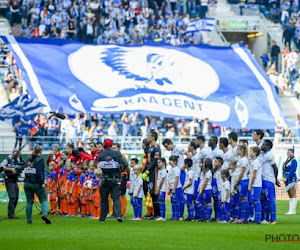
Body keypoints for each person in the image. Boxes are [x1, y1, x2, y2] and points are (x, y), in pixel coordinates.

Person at [98, 139, 129, 223]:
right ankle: (119, 215)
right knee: (116, 198)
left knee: (104, 199)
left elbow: (100, 166)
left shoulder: (100, 155)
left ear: (104, 145)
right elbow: (126, 164)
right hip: (115, 178)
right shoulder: (117, 154)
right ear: (111, 145)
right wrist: (120, 169)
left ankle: (102, 218)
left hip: (104, 178)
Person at [24, 145, 51, 224]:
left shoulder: (28, 159)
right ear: (40, 151)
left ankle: (29, 220)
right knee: (43, 199)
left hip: (27, 183)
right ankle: (45, 214)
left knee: (29, 202)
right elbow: (39, 172)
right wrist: (41, 182)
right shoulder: (40, 160)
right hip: (36, 183)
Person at [141, 131, 161, 219]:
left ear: (153, 137)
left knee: (154, 192)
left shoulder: (156, 147)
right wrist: (143, 172)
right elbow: (148, 163)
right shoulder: (150, 148)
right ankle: (153, 214)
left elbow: (155, 162)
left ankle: (158, 215)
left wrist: (148, 171)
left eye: (149, 136)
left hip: (154, 172)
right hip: (149, 172)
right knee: (150, 192)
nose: (147, 137)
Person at [261, 140, 280, 225]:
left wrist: (275, 179)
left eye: (264, 145)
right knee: (265, 200)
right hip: (264, 179)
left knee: (271, 199)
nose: (262, 146)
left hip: (269, 179)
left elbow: (275, 167)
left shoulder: (269, 155)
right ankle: (268, 218)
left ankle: (274, 219)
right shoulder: (264, 155)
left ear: (268, 146)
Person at [0, 149, 23, 219]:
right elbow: (1, 167)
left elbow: (19, 168)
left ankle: (12, 212)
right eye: (18, 155)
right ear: (14, 153)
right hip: (8, 180)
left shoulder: (17, 160)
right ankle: (10, 214)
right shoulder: (7, 159)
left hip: (14, 180)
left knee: (16, 197)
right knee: (12, 197)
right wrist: (10, 169)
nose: (18, 157)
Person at [233, 144, 249, 224]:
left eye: (238, 149)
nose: (237, 151)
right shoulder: (241, 159)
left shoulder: (244, 160)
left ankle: (244, 217)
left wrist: (237, 181)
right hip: (241, 180)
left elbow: (242, 172)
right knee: (241, 199)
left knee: (244, 199)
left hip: (243, 180)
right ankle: (242, 217)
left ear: (242, 150)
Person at [282, 148, 298, 215]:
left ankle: (293, 210)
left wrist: (287, 178)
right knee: (289, 194)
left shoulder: (294, 161)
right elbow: (283, 169)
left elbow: (292, 170)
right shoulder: (287, 161)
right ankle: (290, 210)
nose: (288, 154)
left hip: (291, 179)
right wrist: (283, 177)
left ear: (293, 153)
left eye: (290, 152)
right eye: (288, 152)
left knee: (292, 194)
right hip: (286, 178)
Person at [168, 155, 182, 221]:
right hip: (172, 187)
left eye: (171, 160)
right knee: (173, 202)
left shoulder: (176, 169)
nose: (169, 162)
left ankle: (176, 216)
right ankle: (173, 216)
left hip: (176, 188)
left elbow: (176, 179)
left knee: (176, 202)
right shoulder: (172, 169)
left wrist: (174, 189)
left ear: (175, 162)